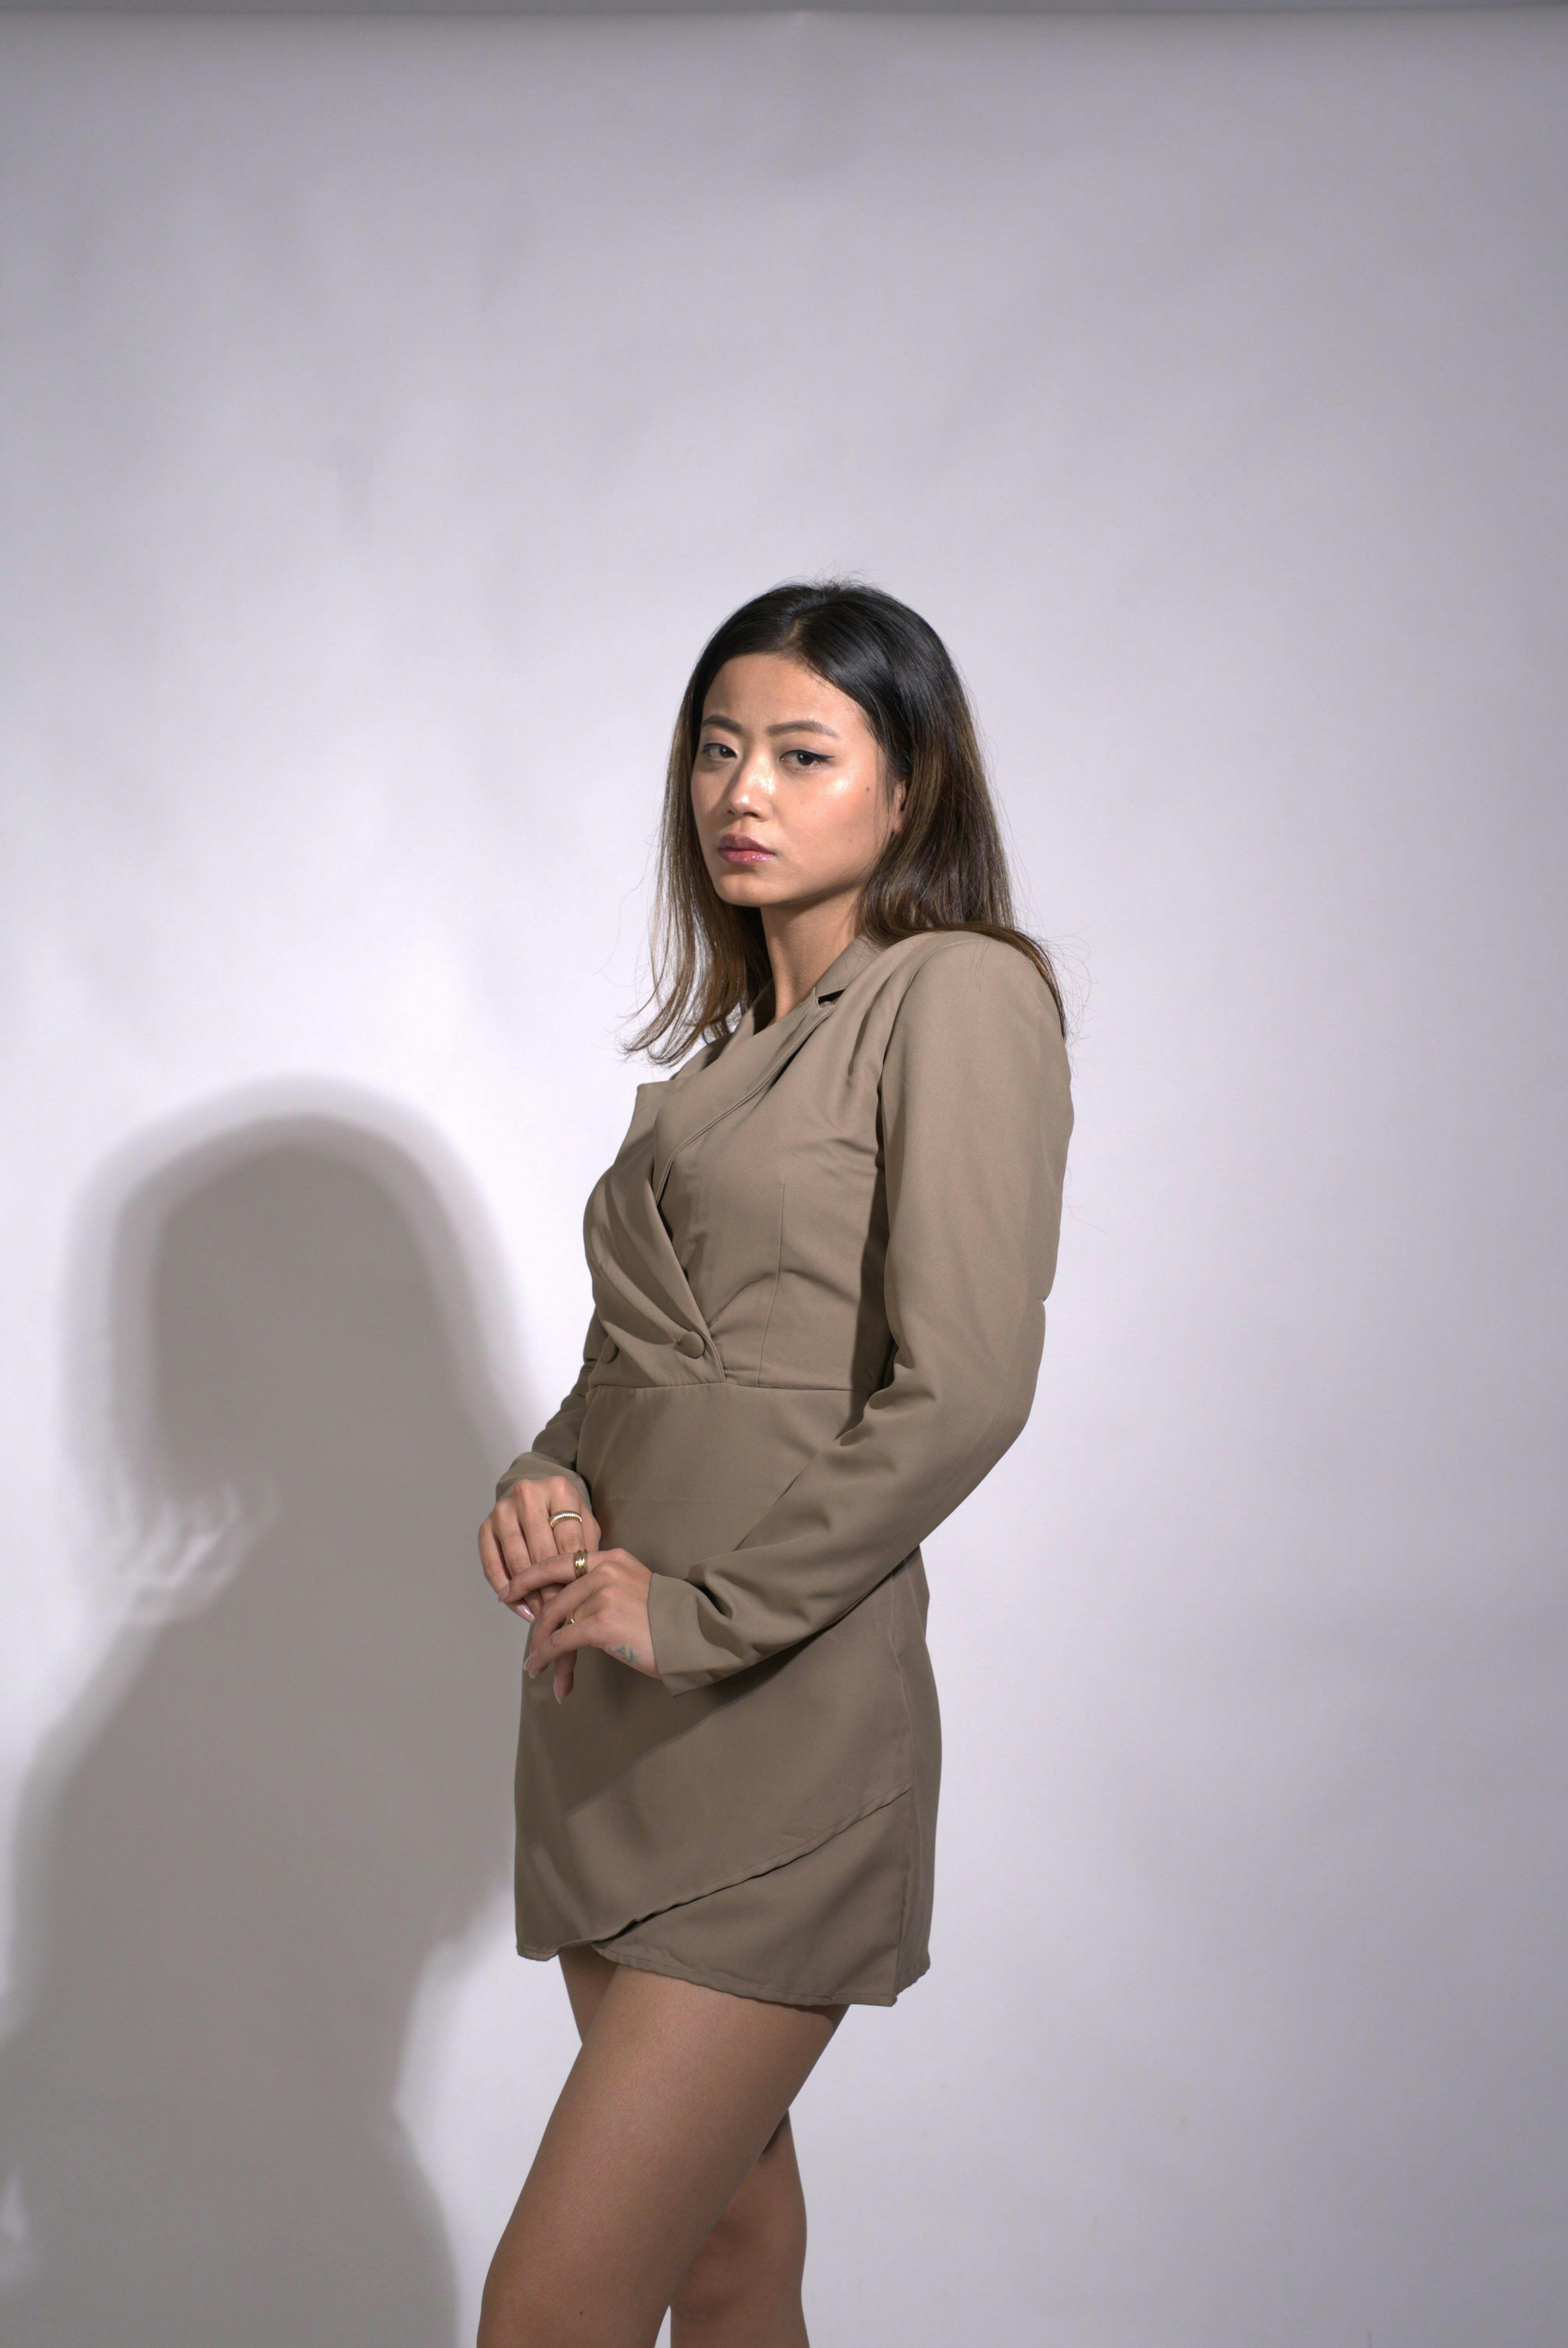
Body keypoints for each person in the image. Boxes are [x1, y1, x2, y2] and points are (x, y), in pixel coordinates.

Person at [474, 578, 1074, 2347]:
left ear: (910, 784)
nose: (743, 790)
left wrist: (699, 1614)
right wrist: (542, 1480)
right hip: (607, 1728)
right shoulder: (726, 1062)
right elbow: (634, 1375)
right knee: (730, 2269)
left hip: (777, 1721)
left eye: (803, 754)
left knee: (549, 2310)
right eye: (718, 750)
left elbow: (964, 1389)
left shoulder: (957, 996)